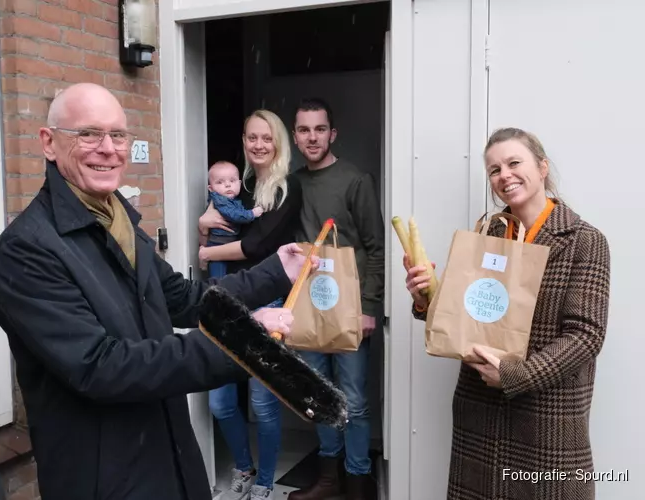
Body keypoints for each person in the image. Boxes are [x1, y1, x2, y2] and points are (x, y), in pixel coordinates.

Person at [0, 83, 316, 500]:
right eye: (88, 134)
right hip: (103, 477)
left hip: (169, 453)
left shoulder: (120, 222)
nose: (108, 148)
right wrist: (241, 342)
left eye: (118, 135)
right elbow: (101, 367)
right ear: (48, 143)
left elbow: (184, 298)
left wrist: (273, 273)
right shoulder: (27, 250)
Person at [404, 127, 611, 500]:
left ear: (543, 167)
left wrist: (517, 374)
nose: (504, 175)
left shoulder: (584, 240)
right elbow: (461, 315)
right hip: (480, 411)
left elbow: (586, 335)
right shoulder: (488, 234)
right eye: (494, 170)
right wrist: (425, 296)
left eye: (515, 162)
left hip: (547, 416)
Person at [198, 109, 303, 500]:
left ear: (278, 143)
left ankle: (265, 482)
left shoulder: (286, 188)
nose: (258, 145)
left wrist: (207, 254)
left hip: (269, 301)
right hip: (227, 302)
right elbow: (210, 220)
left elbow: (257, 246)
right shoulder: (235, 188)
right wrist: (204, 226)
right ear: (243, 141)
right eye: (251, 137)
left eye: (267, 138)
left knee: (262, 402)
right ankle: (243, 466)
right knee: (221, 401)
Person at [288, 98, 385, 500]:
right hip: (309, 307)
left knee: (356, 403)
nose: (312, 137)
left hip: (350, 311)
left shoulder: (355, 179)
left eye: (319, 129)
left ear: (333, 134)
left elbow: (375, 247)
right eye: (304, 130)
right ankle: (328, 479)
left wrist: (368, 308)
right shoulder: (291, 184)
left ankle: (358, 482)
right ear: (295, 136)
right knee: (318, 395)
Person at [204, 160, 263, 278]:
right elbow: (234, 215)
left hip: (228, 247)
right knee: (218, 282)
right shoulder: (220, 200)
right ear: (211, 189)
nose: (228, 185)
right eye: (220, 182)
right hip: (217, 247)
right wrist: (252, 213)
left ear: (240, 183)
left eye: (232, 180)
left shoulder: (235, 200)